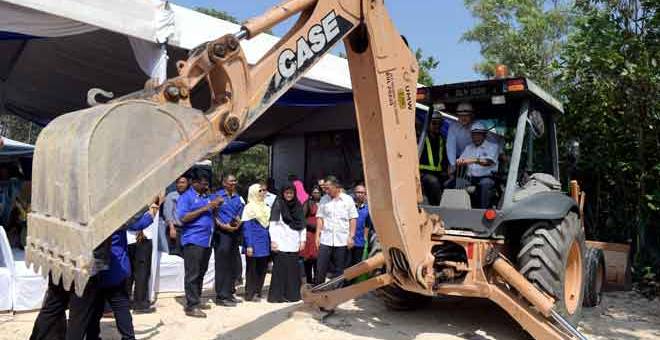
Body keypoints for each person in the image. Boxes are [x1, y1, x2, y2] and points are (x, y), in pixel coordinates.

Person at [87, 202, 160, 340]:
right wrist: (153, 209)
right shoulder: (115, 214)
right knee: (121, 306)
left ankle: (93, 336)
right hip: (114, 268)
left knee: (94, 307)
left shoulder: (91, 214)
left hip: (95, 268)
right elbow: (136, 224)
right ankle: (128, 337)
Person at [177, 169, 223, 318]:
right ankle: (191, 306)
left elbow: (210, 214)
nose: (206, 185)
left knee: (201, 273)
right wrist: (207, 207)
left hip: (207, 240)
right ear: (194, 183)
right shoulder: (186, 197)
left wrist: (215, 206)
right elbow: (183, 218)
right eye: (203, 183)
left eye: (207, 183)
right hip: (193, 239)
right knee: (192, 274)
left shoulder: (205, 196)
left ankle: (196, 299)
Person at [315, 178, 358, 284]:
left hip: (342, 240)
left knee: (340, 269)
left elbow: (352, 218)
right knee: (321, 266)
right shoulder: (324, 199)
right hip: (326, 238)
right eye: (324, 188)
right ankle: (318, 289)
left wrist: (351, 237)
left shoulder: (347, 200)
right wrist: (317, 236)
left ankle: (336, 292)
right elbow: (320, 218)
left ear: (336, 187)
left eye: (328, 188)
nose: (326, 191)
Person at [268, 183, 306, 303]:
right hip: (281, 242)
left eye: (291, 193)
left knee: (292, 270)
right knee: (280, 270)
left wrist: (302, 240)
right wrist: (273, 241)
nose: (289, 195)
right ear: (283, 193)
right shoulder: (278, 204)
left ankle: (292, 295)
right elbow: (272, 224)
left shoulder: (298, 206)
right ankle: (278, 296)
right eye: (286, 193)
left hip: (294, 242)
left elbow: (302, 225)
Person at [213, 174, 245, 307]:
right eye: (231, 181)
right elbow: (212, 214)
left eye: (235, 181)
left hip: (234, 233)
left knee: (232, 263)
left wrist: (238, 223)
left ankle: (230, 292)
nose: (233, 183)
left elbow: (239, 214)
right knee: (222, 265)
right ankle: (221, 296)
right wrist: (221, 225)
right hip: (221, 234)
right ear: (224, 183)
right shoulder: (217, 196)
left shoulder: (238, 198)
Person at [455, 121, 499, 209]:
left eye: (479, 134)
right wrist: (458, 162)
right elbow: (461, 160)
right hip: (471, 178)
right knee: (452, 184)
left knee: (485, 184)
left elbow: (488, 162)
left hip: (487, 177)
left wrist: (474, 160)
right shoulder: (468, 148)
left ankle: (483, 212)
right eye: (474, 135)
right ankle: (459, 211)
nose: (476, 137)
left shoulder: (493, 146)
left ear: (484, 135)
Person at [126, 202, 158, 313]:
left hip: (137, 239)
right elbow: (133, 224)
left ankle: (130, 302)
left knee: (136, 273)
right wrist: (149, 216)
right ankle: (140, 304)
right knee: (141, 273)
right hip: (135, 240)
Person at [241, 183, 271, 301]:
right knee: (252, 269)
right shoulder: (249, 207)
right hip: (253, 243)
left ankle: (258, 291)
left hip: (264, 243)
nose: (264, 193)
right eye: (260, 191)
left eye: (265, 190)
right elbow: (247, 228)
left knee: (262, 269)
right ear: (254, 192)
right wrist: (249, 245)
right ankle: (250, 293)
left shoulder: (267, 207)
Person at [419, 112, 447, 205]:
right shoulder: (420, 138)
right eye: (434, 123)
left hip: (438, 174)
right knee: (433, 182)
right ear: (428, 124)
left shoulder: (442, 139)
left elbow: (444, 158)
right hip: (422, 173)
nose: (437, 126)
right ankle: (439, 208)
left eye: (439, 123)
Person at [446, 102, 476, 175]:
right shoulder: (453, 127)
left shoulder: (477, 126)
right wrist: (452, 164)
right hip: (459, 159)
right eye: (461, 116)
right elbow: (450, 146)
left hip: (475, 158)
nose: (463, 118)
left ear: (471, 115)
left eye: (466, 115)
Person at [300, 185, 321, 284]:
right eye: (314, 192)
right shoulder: (308, 203)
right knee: (308, 258)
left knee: (318, 258)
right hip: (310, 234)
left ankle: (317, 280)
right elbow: (302, 219)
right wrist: (311, 225)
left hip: (320, 234)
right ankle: (308, 279)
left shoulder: (323, 203)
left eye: (318, 192)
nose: (316, 194)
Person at [163, 175, 190, 257]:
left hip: (188, 230)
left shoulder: (190, 196)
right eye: (178, 183)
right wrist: (171, 228)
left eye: (183, 182)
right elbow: (167, 213)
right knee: (176, 255)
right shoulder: (171, 196)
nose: (180, 185)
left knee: (187, 255)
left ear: (187, 184)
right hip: (175, 229)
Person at [349, 184, 372, 267]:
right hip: (347, 240)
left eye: (363, 193)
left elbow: (368, 224)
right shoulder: (349, 207)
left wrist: (365, 237)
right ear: (354, 193)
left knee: (356, 265)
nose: (360, 194)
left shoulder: (367, 209)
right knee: (346, 265)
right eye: (358, 192)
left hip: (360, 242)